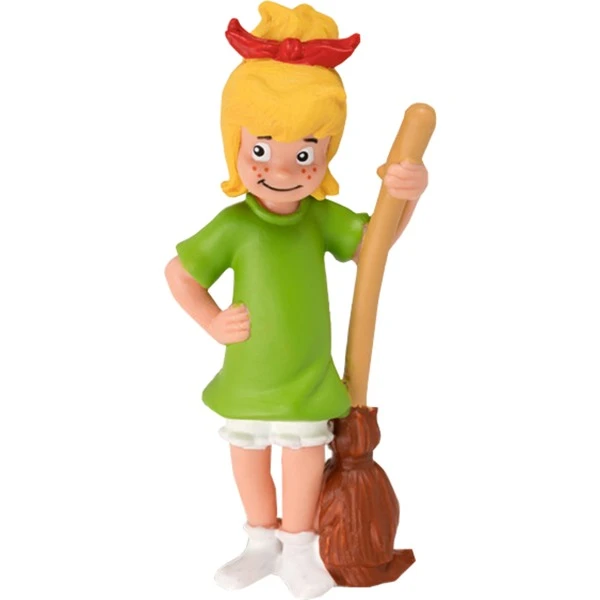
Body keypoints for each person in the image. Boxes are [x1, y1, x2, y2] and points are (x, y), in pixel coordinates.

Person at [165, 3, 428, 598]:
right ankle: (260, 542)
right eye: (261, 149)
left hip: (307, 379)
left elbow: (375, 247)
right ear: (234, 145)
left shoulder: (319, 220)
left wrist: (407, 196)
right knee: (248, 455)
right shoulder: (234, 226)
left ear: (327, 154)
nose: (282, 168)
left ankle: (300, 546)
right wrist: (213, 321)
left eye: (304, 153)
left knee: (305, 456)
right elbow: (180, 274)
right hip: (249, 377)